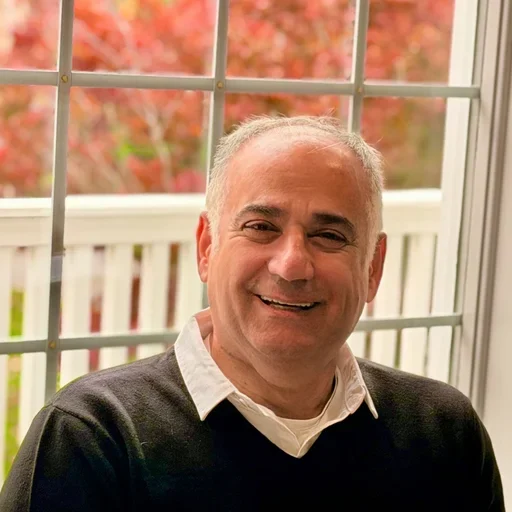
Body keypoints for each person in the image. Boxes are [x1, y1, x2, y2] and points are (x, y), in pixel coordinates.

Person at [0, 116, 504, 511]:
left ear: (373, 267)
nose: (292, 265)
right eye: (261, 227)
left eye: (329, 235)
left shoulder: (444, 434)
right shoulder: (93, 439)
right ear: (206, 247)